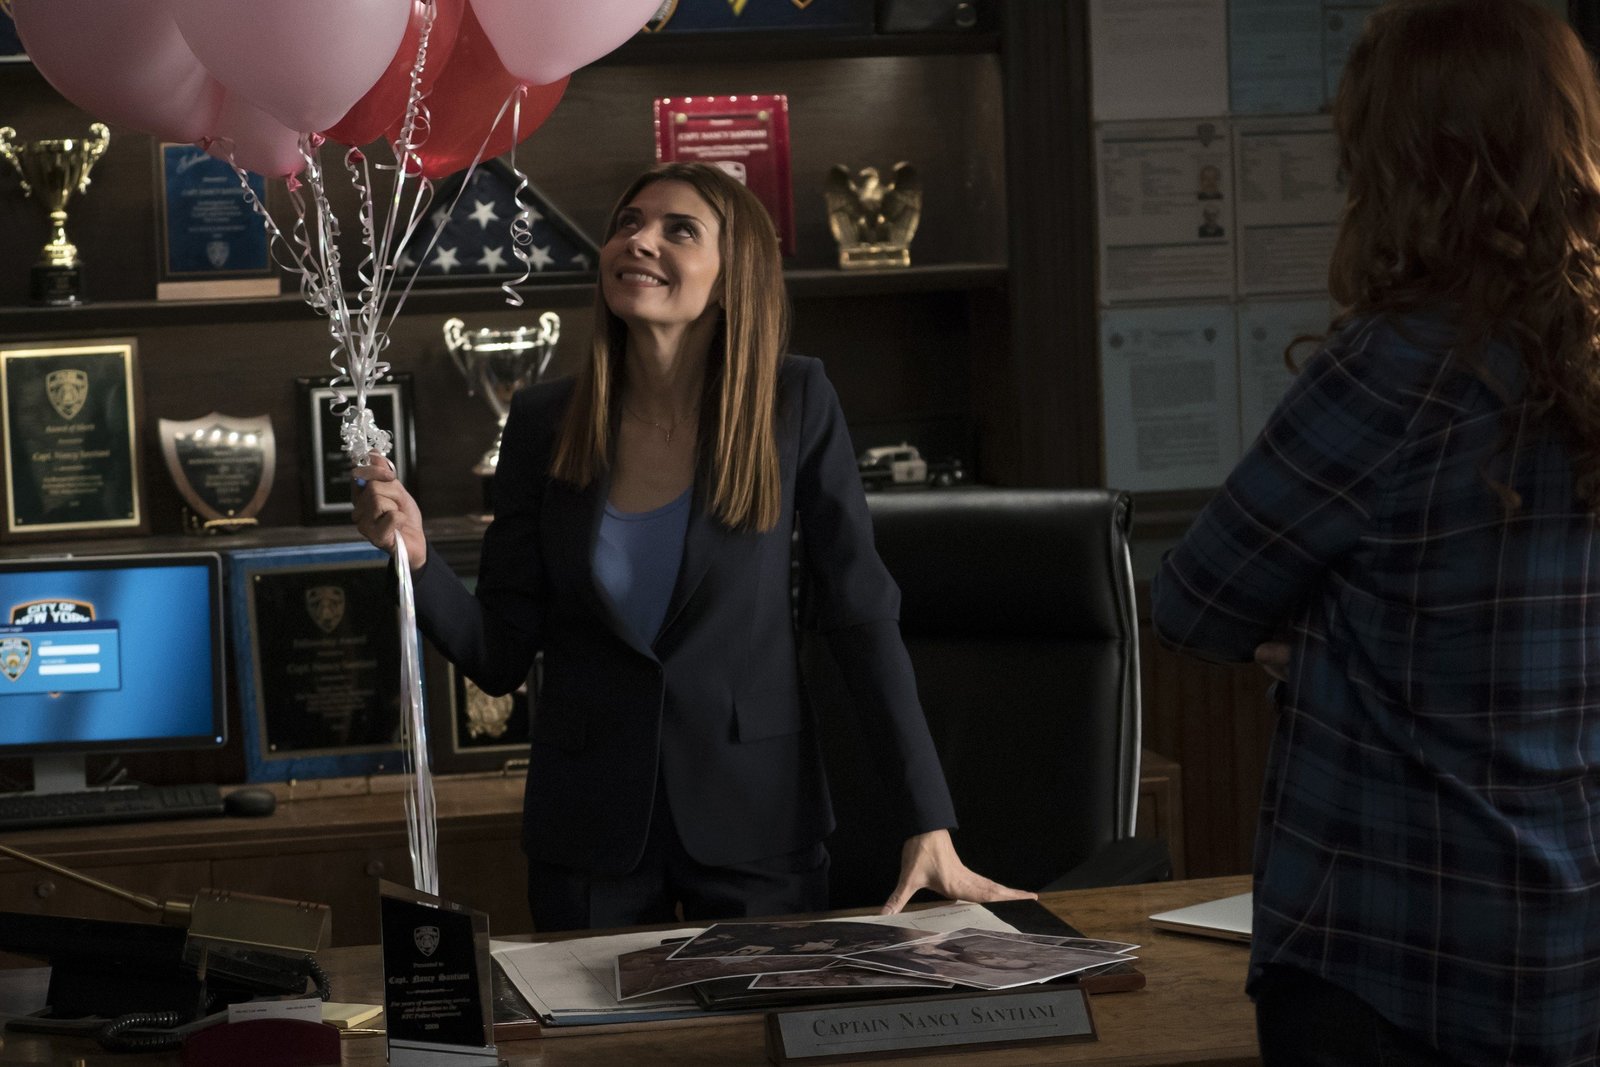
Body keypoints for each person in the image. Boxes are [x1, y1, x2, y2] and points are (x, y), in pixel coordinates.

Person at [353, 161, 1030, 932]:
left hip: (757, 822)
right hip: (591, 831)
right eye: (628, 223)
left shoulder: (795, 402)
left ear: (732, 274)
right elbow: (500, 652)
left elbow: (859, 614)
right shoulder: (543, 422)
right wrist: (416, 560)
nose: (639, 241)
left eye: (679, 230)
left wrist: (925, 817)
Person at [1150, 2, 1600, 1064]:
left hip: (1394, 949)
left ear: (1398, 159)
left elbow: (1193, 602)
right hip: (1570, 942)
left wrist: (1316, 627)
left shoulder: (1398, 368)